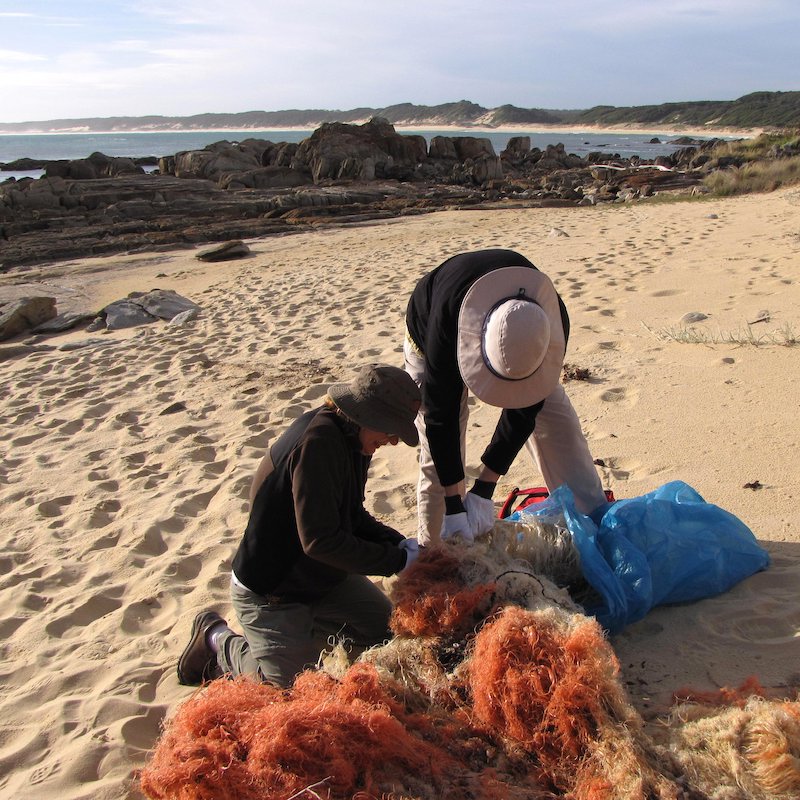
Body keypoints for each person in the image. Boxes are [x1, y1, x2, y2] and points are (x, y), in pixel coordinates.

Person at [177, 364, 422, 688]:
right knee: (286, 691)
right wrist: (397, 562)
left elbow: (352, 514)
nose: (392, 441)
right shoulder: (317, 443)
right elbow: (320, 541)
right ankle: (215, 637)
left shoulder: (356, 440)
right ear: (366, 415)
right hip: (273, 593)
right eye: (390, 431)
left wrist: (399, 544)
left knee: (391, 636)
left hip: (324, 579)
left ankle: (301, 637)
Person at [404, 248, 608, 544]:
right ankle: (435, 551)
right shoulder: (446, 321)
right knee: (438, 465)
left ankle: (595, 526)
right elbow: (440, 418)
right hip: (430, 337)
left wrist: (486, 488)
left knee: (561, 429)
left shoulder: (551, 319)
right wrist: (454, 505)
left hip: (514, 335)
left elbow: (527, 409)